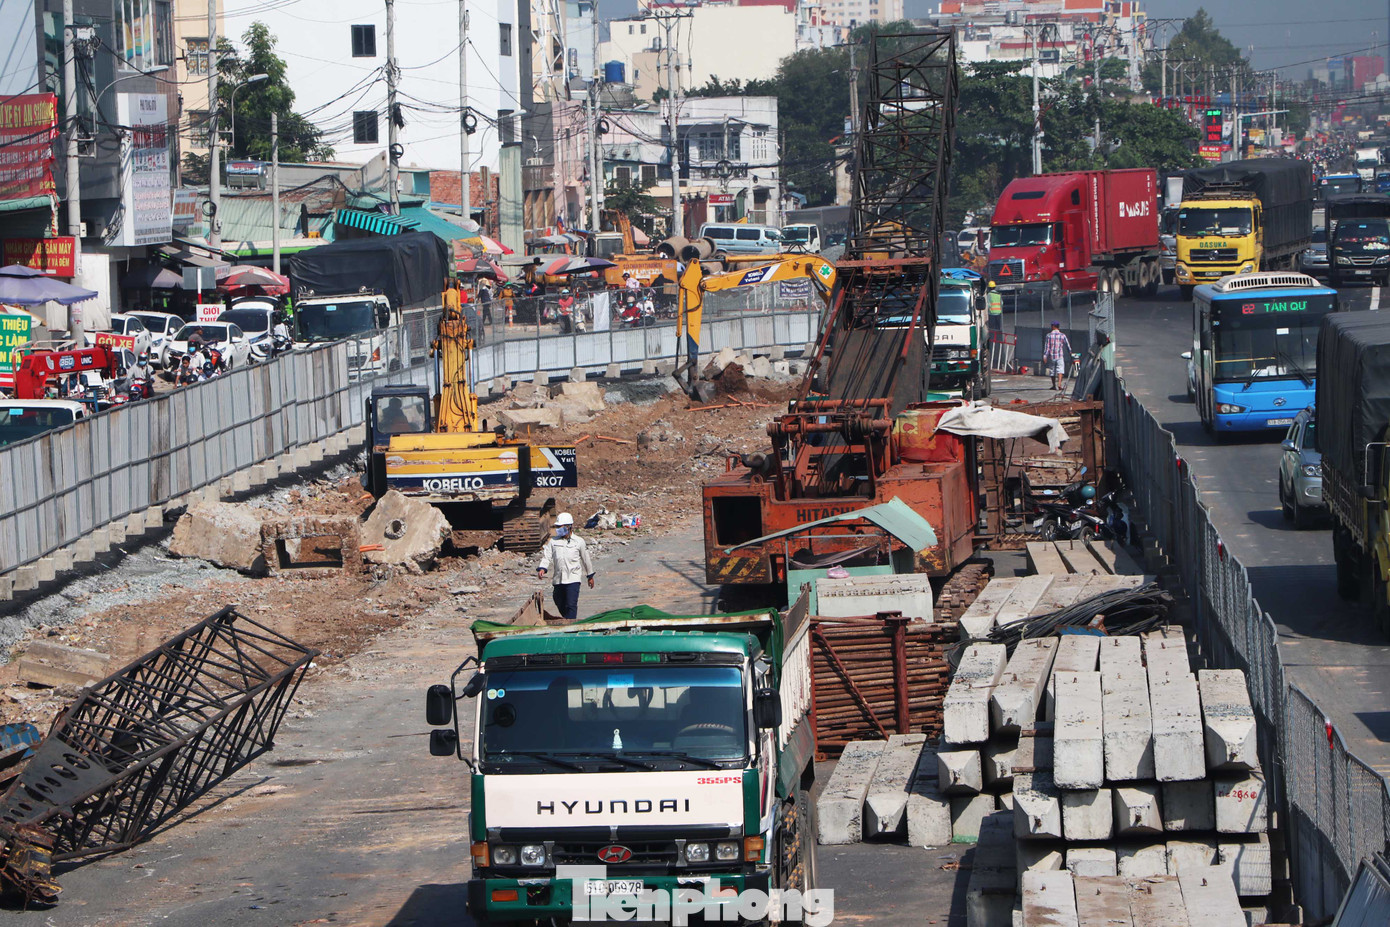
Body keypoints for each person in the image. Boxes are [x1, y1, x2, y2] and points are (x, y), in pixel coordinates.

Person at [536, 512, 595, 622]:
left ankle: (571, 625)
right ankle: (568, 619)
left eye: (560, 527)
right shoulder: (553, 541)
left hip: (573, 578)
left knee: (571, 604)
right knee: (558, 600)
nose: (558, 529)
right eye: (557, 527)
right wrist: (542, 568)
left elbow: (586, 559)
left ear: (569, 527)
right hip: (559, 579)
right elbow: (547, 556)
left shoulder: (578, 542)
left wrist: (590, 576)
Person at [1043, 321, 1072, 391]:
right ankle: (1059, 384)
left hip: (1052, 356)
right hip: (1060, 355)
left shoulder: (1049, 335)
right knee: (1060, 370)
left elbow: (1047, 347)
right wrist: (1070, 352)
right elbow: (1067, 345)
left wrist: (1045, 356)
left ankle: (1054, 385)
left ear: (1053, 326)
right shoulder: (1062, 335)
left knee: (1052, 370)